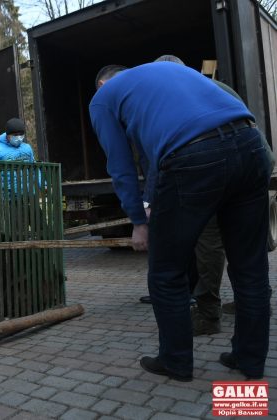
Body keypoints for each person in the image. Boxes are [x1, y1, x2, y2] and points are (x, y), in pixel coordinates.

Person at [90, 62, 271, 381]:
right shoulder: (167, 75)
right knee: (250, 267)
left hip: (196, 155)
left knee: (165, 271)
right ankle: (250, 359)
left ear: (103, 85)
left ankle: (175, 361)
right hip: (251, 145)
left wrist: (138, 220)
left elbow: (121, 165)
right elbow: (162, 150)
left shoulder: (104, 98)